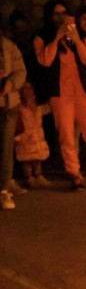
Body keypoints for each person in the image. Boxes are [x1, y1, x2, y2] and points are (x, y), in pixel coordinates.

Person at [33, 0, 86, 190]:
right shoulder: (42, 36)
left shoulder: (78, 35)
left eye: (64, 13)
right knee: (67, 135)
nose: (61, 17)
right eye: (56, 14)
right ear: (49, 16)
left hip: (81, 92)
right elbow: (45, 60)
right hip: (60, 93)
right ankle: (74, 173)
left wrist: (76, 38)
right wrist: (56, 39)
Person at [1, 15, 27, 210]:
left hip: (6, 104)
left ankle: (3, 188)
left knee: (5, 148)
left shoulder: (9, 47)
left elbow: (20, 71)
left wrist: (9, 84)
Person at [14, 82, 50, 188]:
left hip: (37, 138)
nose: (27, 91)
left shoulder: (37, 107)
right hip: (25, 138)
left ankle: (38, 176)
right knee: (26, 161)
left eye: (30, 88)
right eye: (25, 89)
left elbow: (47, 109)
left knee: (37, 160)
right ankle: (29, 178)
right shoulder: (19, 108)